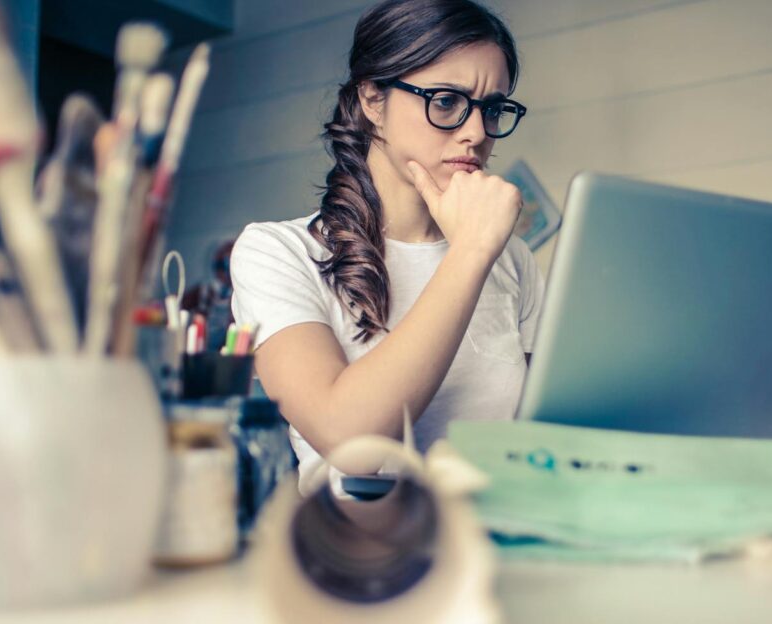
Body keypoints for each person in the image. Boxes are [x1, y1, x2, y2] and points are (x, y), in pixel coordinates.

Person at [229, 0, 543, 490]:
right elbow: (352, 444)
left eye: (493, 108)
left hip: (499, 549)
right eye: (445, 101)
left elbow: (544, 439)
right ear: (373, 99)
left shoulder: (513, 260)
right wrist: (470, 252)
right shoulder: (277, 252)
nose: (478, 132)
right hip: (358, 552)